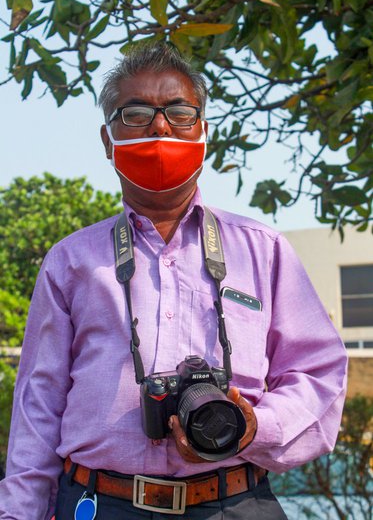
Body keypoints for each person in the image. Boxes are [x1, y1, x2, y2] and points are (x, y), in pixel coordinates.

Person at [0, 43, 347, 520]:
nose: (160, 126)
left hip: (236, 502)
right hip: (98, 504)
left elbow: (319, 373)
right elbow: (37, 408)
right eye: (136, 113)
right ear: (107, 140)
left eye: (180, 112)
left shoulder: (262, 249)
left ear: (203, 131)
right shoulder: (70, 261)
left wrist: (255, 428)